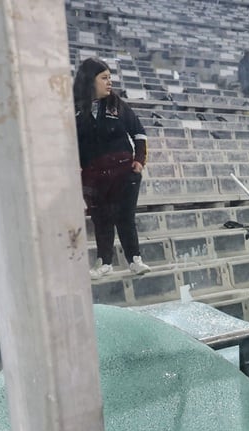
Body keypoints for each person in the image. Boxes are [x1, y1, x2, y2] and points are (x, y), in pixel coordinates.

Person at [73, 57, 150, 280]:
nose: (109, 83)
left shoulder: (118, 105)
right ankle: (104, 262)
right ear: (90, 81)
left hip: (124, 174)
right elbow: (68, 142)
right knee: (101, 218)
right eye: (104, 78)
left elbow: (139, 133)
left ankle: (135, 260)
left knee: (125, 216)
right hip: (93, 177)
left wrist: (139, 160)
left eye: (110, 78)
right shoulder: (74, 108)